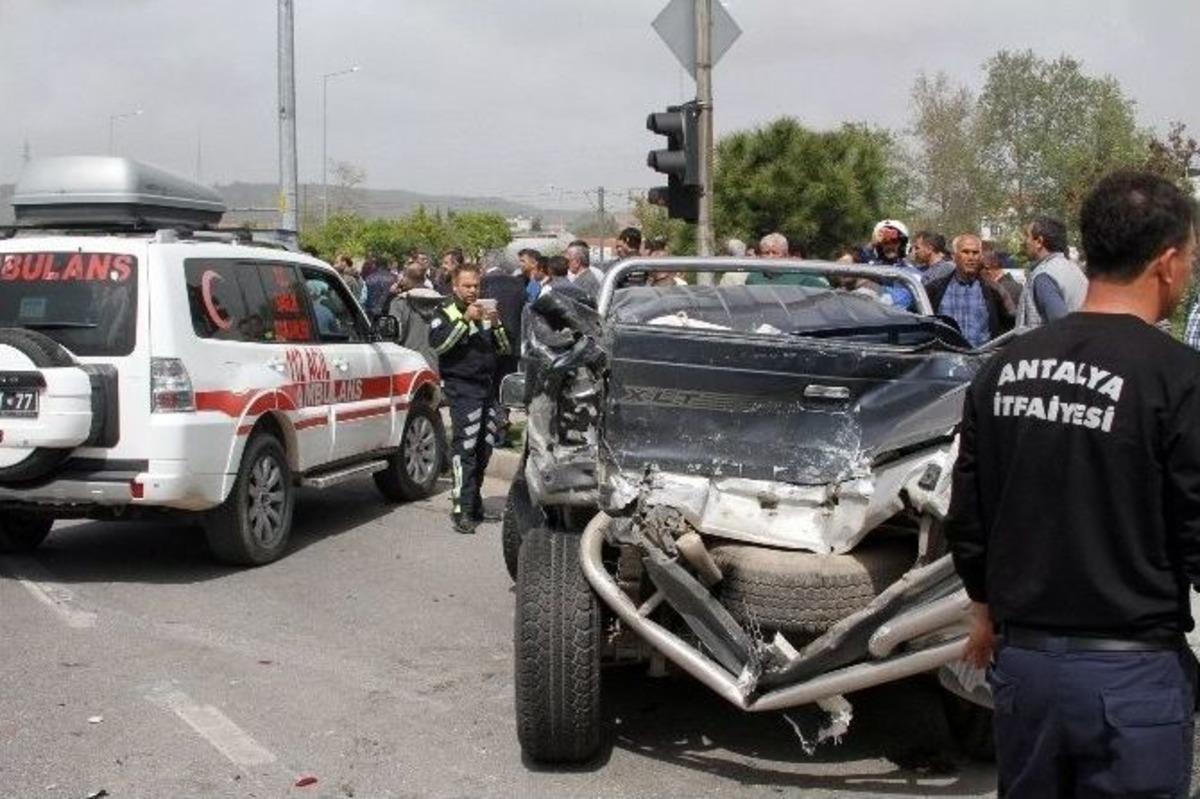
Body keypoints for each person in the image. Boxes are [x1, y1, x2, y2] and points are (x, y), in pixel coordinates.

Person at [945, 170, 1200, 797]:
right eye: (1192, 259)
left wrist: (985, 612)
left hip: (1025, 673)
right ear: (1167, 262)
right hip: (1131, 679)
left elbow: (968, 519)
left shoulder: (1001, 371)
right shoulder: (1178, 379)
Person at [428, 263, 512, 534]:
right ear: (455, 286)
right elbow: (441, 345)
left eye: (476, 285)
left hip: (487, 387)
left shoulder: (486, 310)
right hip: (461, 387)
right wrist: (465, 319)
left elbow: (506, 348)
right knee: (464, 448)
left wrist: (497, 323)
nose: (472, 290)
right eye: (467, 286)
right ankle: (461, 509)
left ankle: (474, 502)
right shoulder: (445, 311)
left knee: (484, 448)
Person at [925, 234, 1014, 347]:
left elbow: (1011, 325)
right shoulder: (935, 288)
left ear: (981, 256)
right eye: (965, 252)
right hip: (947, 359)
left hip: (982, 359)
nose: (971, 257)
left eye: (975, 253)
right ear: (954, 256)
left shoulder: (994, 290)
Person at [1017, 216, 1088, 327]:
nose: (1025, 241)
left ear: (1039, 242)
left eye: (1028, 236)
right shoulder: (1074, 269)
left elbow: (1060, 326)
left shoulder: (1044, 276)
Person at [864, 220, 924, 309]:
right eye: (885, 243)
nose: (889, 246)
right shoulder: (868, 267)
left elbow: (900, 302)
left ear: (903, 245)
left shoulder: (912, 274)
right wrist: (871, 244)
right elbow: (848, 268)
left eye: (894, 241)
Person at [746, 232, 827, 288]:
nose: (770, 257)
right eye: (766, 253)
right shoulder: (753, 278)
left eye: (775, 253)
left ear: (785, 255)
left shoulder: (801, 277)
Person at [362, 256, 398, 320]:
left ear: (375, 265)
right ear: (387, 265)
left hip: (371, 312)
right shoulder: (394, 278)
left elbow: (364, 298)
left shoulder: (369, 278)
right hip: (388, 312)